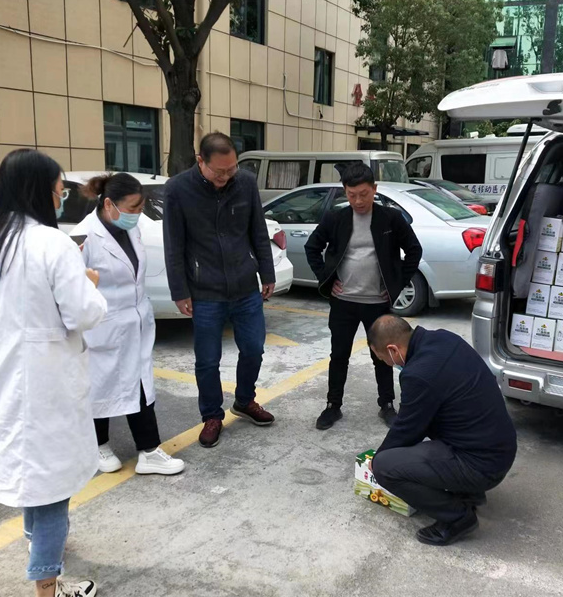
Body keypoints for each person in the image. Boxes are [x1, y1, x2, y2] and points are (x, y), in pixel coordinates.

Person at [0, 149, 107, 597]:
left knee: (30, 474)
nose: (62, 196)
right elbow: (82, 313)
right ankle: (47, 584)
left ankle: (36, 543)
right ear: (41, 191)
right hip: (45, 381)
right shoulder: (52, 244)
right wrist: (90, 285)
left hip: (3, 371)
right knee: (51, 485)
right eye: (59, 188)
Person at [163, 132, 276, 448]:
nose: (226, 177)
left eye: (231, 169)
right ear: (201, 161)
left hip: (245, 286)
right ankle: (212, 415)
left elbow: (258, 230)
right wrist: (180, 291)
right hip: (205, 290)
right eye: (219, 171)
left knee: (253, 348)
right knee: (207, 360)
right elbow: (174, 245)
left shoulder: (246, 183)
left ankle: (244, 400)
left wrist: (266, 273)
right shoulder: (178, 189)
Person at [367, 315, 517, 547]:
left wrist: (376, 459)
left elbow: (406, 429)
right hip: (500, 447)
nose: (388, 364)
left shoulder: (418, 374)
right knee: (436, 420)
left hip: (482, 464)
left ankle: (458, 518)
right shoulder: (446, 339)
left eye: (383, 359)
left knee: (385, 467)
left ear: (393, 350)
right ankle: (469, 492)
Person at [304, 163, 422, 430]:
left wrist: (396, 284)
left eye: (364, 194)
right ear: (345, 192)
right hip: (343, 303)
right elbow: (313, 247)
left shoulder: (390, 218)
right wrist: (326, 279)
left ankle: (387, 405)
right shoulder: (336, 218)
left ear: (374, 190)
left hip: (377, 303)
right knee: (339, 355)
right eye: (352, 195)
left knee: (383, 356)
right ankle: (333, 406)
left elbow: (414, 250)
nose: (358, 201)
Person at [81, 173, 184, 475]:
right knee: (99, 388)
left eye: (141, 207)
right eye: (133, 208)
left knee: (139, 386)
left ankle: (149, 451)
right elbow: (73, 290)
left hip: (135, 323)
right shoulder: (85, 236)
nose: (138, 214)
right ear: (109, 204)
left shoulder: (131, 229)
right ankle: (98, 446)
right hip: (102, 328)